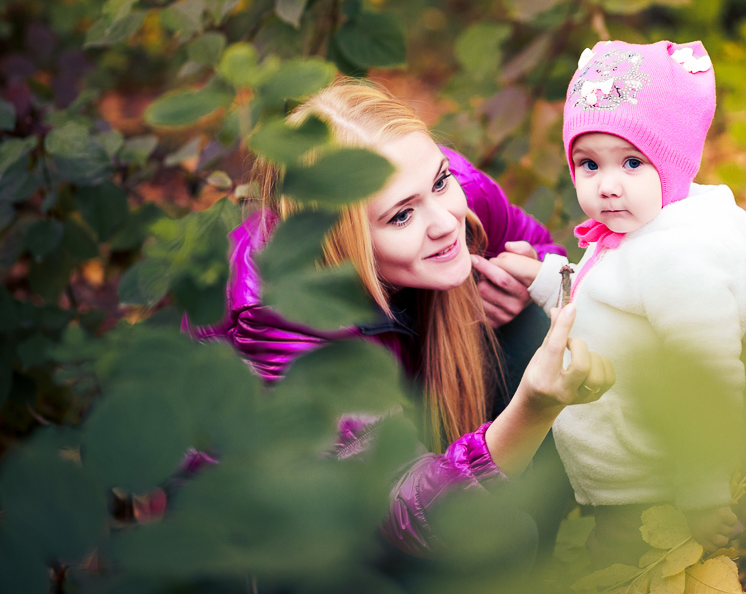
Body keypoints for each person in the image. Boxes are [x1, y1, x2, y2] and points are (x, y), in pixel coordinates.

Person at [184, 80, 615, 575]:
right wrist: (534, 407)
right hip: (287, 517)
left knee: (535, 326)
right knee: (492, 533)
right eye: (402, 215)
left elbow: (562, 264)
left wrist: (535, 275)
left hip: (399, 411)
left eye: (438, 182)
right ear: (340, 239)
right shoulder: (281, 309)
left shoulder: (451, 190)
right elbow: (406, 511)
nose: (445, 222)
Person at [492, 39, 746, 567]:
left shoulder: (680, 259)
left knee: (638, 573)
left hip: (655, 487)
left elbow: (706, 378)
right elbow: (606, 300)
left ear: (673, 164)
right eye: (588, 165)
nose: (607, 187)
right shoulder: (641, 230)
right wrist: (542, 277)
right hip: (621, 476)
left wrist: (703, 493)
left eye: (632, 162)